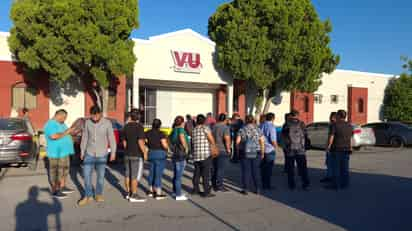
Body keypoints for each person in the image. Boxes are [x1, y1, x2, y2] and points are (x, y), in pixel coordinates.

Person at [78, 106, 117, 206]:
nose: (94, 118)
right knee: (86, 175)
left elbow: (111, 138)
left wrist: (113, 152)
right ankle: (88, 196)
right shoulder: (87, 123)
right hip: (89, 153)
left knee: (100, 176)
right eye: (92, 115)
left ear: (100, 114)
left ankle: (98, 194)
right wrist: (82, 151)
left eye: (96, 115)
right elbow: (85, 137)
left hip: (102, 154)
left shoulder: (107, 123)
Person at [43, 109, 75, 199]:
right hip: (55, 153)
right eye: (64, 117)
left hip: (64, 152)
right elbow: (54, 136)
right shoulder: (50, 124)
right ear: (58, 115)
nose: (65, 119)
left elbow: (66, 133)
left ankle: (62, 187)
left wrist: (71, 133)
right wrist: (67, 132)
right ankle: (55, 191)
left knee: (65, 170)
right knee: (56, 172)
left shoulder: (61, 123)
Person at [122, 110, 147, 202]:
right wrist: (145, 152)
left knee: (127, 174)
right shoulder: (139, 127)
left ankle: (128, 193)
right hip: (136, 154)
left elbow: (124, 142)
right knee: (134, 176)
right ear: (138, 117)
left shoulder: (125, 126)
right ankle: (134, 194)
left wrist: (128, 149)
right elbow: (140, 141)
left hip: (127, 153)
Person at [282, 110, 310, 191]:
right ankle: (305, 183)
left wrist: (285, 147)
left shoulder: (286, 124)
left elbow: (283, 137)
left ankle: (291, 185)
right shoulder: (302, 124)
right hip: (300, 148)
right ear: (297, 115)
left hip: (290, 149)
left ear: (290, 115)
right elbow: (306, 135)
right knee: (302, 167)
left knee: (290, 168)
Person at [236, 115, 265, 195]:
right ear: (253, 121)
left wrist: (238, 151)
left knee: (246, 171)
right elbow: (262, 142)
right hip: (256, 152)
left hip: (245, 152)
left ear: (245, 120)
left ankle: (245, 189)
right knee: (256, 170)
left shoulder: (242, 129)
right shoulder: (258, 129)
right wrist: (262, 152)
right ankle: (258, 189)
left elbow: (237, 142)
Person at [325, 110, 352, 190]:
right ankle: (344, 184)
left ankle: (335, 185)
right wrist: (350, 147)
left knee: (336, 168)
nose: (336, 116)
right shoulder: (349, 125)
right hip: (346, 149)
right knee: (345, 168)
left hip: (336, 149)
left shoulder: (335, 125)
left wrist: (328, 147)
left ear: (339, 116)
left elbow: (331, 137)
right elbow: (350, 138)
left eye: (337, 115)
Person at [191, 114, 217, 198]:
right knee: (206, 174)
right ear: (204, 121)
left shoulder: (194, 130)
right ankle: (206, 192)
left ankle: (195, 190)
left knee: (197, 173)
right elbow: (211, 139)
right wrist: (214, 146)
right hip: (205, 154)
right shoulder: (205, 128)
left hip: (196, 154)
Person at [145, 119, 169, 200]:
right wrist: (167, 149)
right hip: (160, 154)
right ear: (159, 125)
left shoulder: (147, 132)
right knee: (158, 173)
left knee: (152, 172)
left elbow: (145, 142)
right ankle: (158, 193)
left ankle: (150, 190)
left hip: (151, 153)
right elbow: (164, 144)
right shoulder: (161, 133)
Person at [170, 116, 190, 201]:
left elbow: (169, 140)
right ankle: (178, 194)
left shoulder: (173, 130)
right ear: (182, 122)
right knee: (179, 175)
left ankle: (175, 191)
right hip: (181, 154)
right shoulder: (181, 130)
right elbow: (182, 137)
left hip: (175, 153)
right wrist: (186, 148)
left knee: (176, 174)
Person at [211, 113, 232, 192]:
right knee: (221, 169)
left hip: (214, 149)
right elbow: (227, 139)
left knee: (214, 168)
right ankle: (219, 185)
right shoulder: (225, 127)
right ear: (225, 119)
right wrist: (229, 149)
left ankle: (213, 184)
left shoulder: (213, 126)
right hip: (222, 150)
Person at [259, 113, 278, 190]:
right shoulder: (271, 127)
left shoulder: (261, 125)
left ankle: (263, 183)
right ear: (273, 118)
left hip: (261, 149)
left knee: (263, 168)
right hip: (269, 150)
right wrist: (276, 147)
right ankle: (267, 185)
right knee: (268, 169)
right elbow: (273, 140)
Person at [320, 112, 337, 183]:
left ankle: (329, 177)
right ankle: (332, 176)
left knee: (329, 163)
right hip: (337, 147)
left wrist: (328, 146)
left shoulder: (333, 125)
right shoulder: (337, 125)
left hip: (332, 147)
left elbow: (331, 136)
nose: (330, 118)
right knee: (332, 163)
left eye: (331, 116)